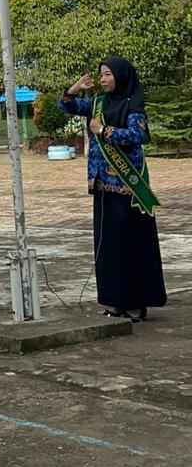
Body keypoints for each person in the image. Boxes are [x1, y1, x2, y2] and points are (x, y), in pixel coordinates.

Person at [60, 57, 166, 321]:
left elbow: (138, 135)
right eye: (101, 75)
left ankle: (136, 303)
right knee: (109, 247)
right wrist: (74, 89)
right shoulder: (98, 102)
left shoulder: (132, 104)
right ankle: (116, 300)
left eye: (108, 74)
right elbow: (68, 107)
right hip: (102, 186)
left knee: (130, 246)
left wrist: (105, 131)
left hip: (128, 188)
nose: (103, 79)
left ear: (120, 76)